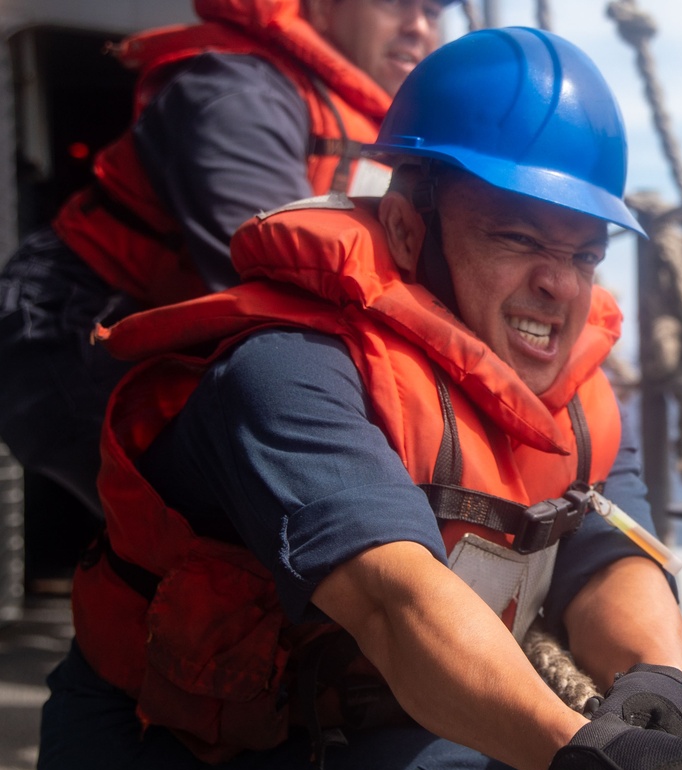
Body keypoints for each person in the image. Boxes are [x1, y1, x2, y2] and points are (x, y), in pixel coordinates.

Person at [36, 27, 682, 770]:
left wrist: (653, 697)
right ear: (410, 227)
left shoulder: (576, 399)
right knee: (519, 768)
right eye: (517, 238)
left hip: (335, 753)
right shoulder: (289, 370)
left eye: (582, 253)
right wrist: (585, 756)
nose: (559, 284)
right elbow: (391, 596)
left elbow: (609, 553)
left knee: (540, 764)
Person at [0, 0, 462, 770]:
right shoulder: (234, 89)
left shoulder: (379, 113)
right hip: (69, 339)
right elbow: (267, 263)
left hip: (161, 335)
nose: (426, 19)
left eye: (443, 2)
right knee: (226, 563)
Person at [0, 0, 453, 518]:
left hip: (195, 331)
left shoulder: (384, 124)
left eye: (434, 10)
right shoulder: (238, 92)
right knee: (215, 536)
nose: (418, 25)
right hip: (72, 324)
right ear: (324, 9)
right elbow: (279, 285)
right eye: (396, 3)